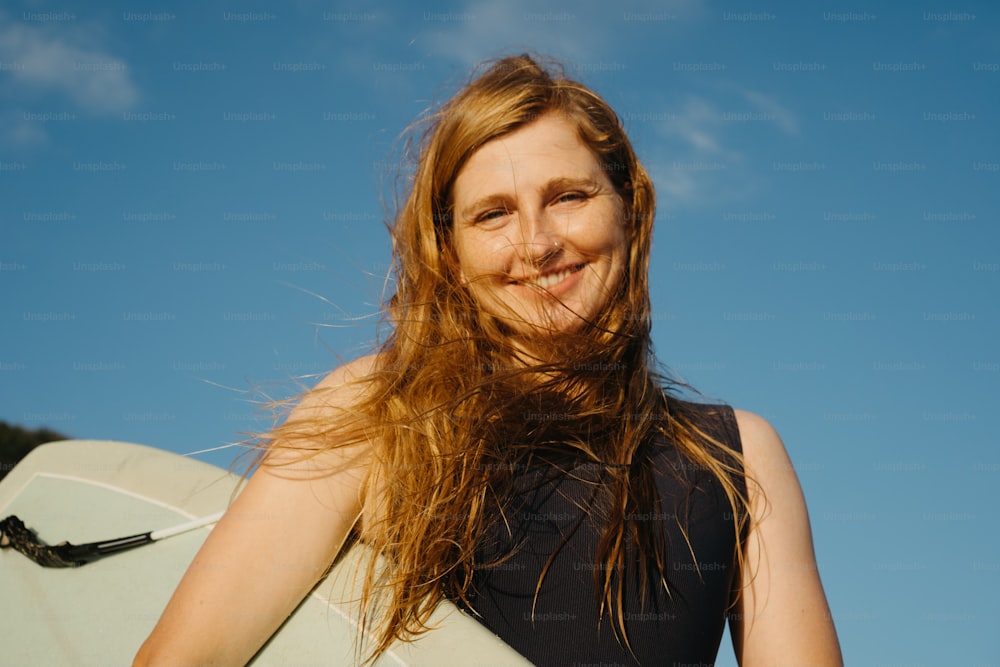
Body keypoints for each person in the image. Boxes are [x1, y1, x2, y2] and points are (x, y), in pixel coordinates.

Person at [134, 54, 842, 666]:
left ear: (630, 210)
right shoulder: (378, 417)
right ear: (450, 251)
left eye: (568, 196)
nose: (536, 243)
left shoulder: (736, 457)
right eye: (492, 214)